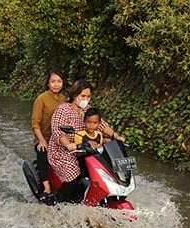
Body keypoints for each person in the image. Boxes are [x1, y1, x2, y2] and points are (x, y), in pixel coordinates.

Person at [47, 79, 125, 203]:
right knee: (73, 172)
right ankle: (59, 200)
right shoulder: (63, 109)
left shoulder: (88, 109)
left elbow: (101, 125)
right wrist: (68, 144)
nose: (85, 99)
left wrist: (116, 136)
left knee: (107, 168)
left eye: (88, 96)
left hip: (88, 149)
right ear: (74, 95)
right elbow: (58, 131)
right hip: (64, 151)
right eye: (83, 96)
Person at [30, 69, 65, 203]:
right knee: (42, 152)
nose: (56, 84)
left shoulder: (64, 99)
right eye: (53, 81)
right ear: (48, 83)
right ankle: (46, 187)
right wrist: (42, 140)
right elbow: (35, 123)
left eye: (59, 81)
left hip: (61, 140)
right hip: (44, 139)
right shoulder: (41, 99)